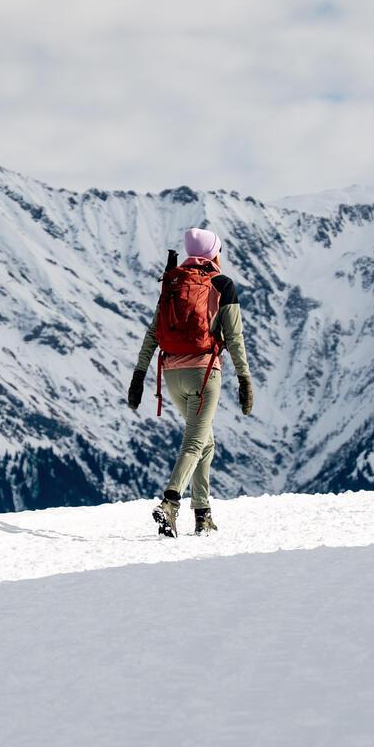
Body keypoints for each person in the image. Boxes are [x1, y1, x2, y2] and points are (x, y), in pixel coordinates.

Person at [126, 227, 254, 536]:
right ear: (213, 253)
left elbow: (153, 334)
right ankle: (170, 503)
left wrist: (138, 376)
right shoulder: (222, 284)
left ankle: (203, 513)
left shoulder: (172, 283)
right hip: (204, 374)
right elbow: (234, 339)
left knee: (206, 443)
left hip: (170, 376)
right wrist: (244, 379)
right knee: (195, 442)